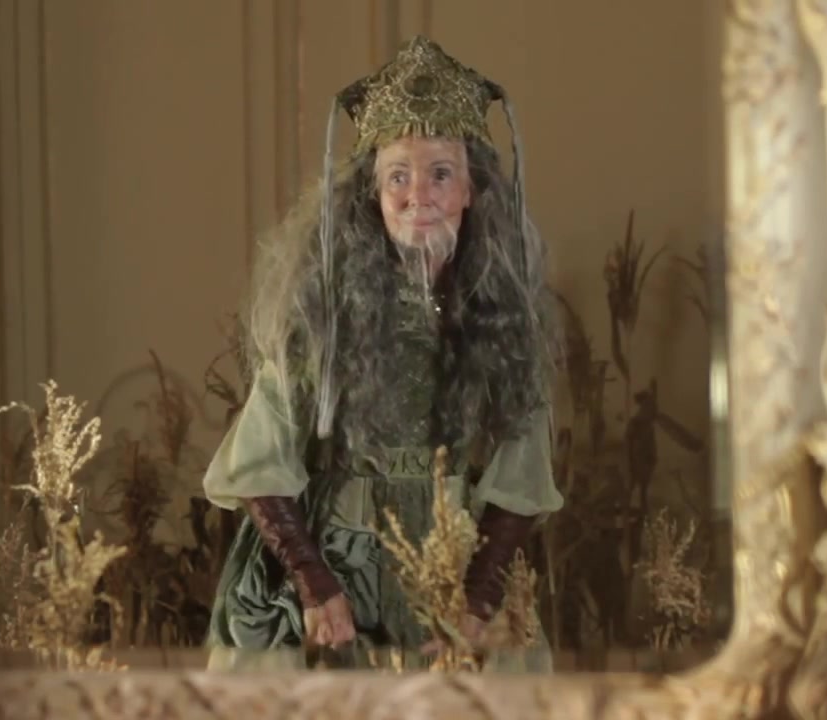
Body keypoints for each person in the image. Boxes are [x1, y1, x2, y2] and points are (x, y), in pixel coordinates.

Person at [202, 35, 563, 671]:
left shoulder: (503, 320)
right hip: (340, 569)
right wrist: (314, 582)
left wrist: (479, 598)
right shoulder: (319, 315)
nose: (417, 194)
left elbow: (521, 473)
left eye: (440, 173)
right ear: (373, 191)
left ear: (470, 190)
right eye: (398, 175)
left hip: (451, 567)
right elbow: (261, 459)